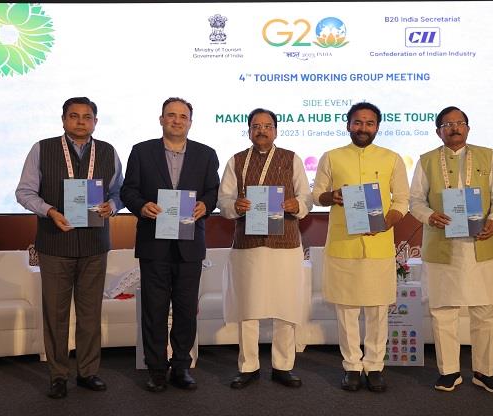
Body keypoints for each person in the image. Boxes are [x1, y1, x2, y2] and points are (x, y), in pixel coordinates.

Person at [15, 97, 124, 399]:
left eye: (87, 117)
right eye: (74, 116)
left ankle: (88, 372)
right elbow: (24, 192)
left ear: (95, 122)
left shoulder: (108, 151)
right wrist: (49, 211)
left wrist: (112, 205)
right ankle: (58, 375)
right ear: (63, 120)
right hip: (54, 244)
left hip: (94, 245)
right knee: (55, 315)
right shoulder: (42, 149)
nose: (80, 121)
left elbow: (120, 191)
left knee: (90, 314)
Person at [120, 97, 219, 392]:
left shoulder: (206, 154)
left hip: (189, 244)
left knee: (186, 309)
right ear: (161, 119)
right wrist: (141, 206)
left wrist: (205, 205)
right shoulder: (141, 151)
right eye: (171, 115)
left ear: (190, 122)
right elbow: (128, 190)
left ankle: (181, 366)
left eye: (182, 116)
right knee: (154, 309)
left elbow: (213, 191)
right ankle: (156, 369)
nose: (177, 120)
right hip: (154, 243)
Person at [409, 106, 493, 393]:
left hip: (480, 244)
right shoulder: (426, 160)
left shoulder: (487, 156)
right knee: (443, 311)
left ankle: (484, 372)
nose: (454, 128)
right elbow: (415, 201)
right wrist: (429, 216)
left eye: (459, 123)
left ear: (468, 127)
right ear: (438, 131)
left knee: (485, 310)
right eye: (447, 124)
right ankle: (449, 372)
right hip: (442, 246)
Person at [312, 102, 409, 392]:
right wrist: (332, 196)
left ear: (377, 127)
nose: (363, 128)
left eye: (369, 123)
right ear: (348, 125)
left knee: (378, 310)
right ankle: (352, 366)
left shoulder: (392, 158)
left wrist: (388, 222)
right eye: (357, 122)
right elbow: (316, 196)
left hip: (379, 245)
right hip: (344, 244)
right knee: (347, 311)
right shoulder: (332, 157)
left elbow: (402, 200)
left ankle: (375, 366)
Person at [217, 108, 313, 389]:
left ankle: (283, 366)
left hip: (285, 244)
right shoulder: (236, 161)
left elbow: (306, 197)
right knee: (248, 307)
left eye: (267, 126)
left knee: (285, 306)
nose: (262, 131)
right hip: (248, 245)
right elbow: (223, 201)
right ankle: (248, 367)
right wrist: (235, 206)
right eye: (256, 126)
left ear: (276, 130)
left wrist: (297, 204)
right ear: (248, 130)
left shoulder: (291, 158)